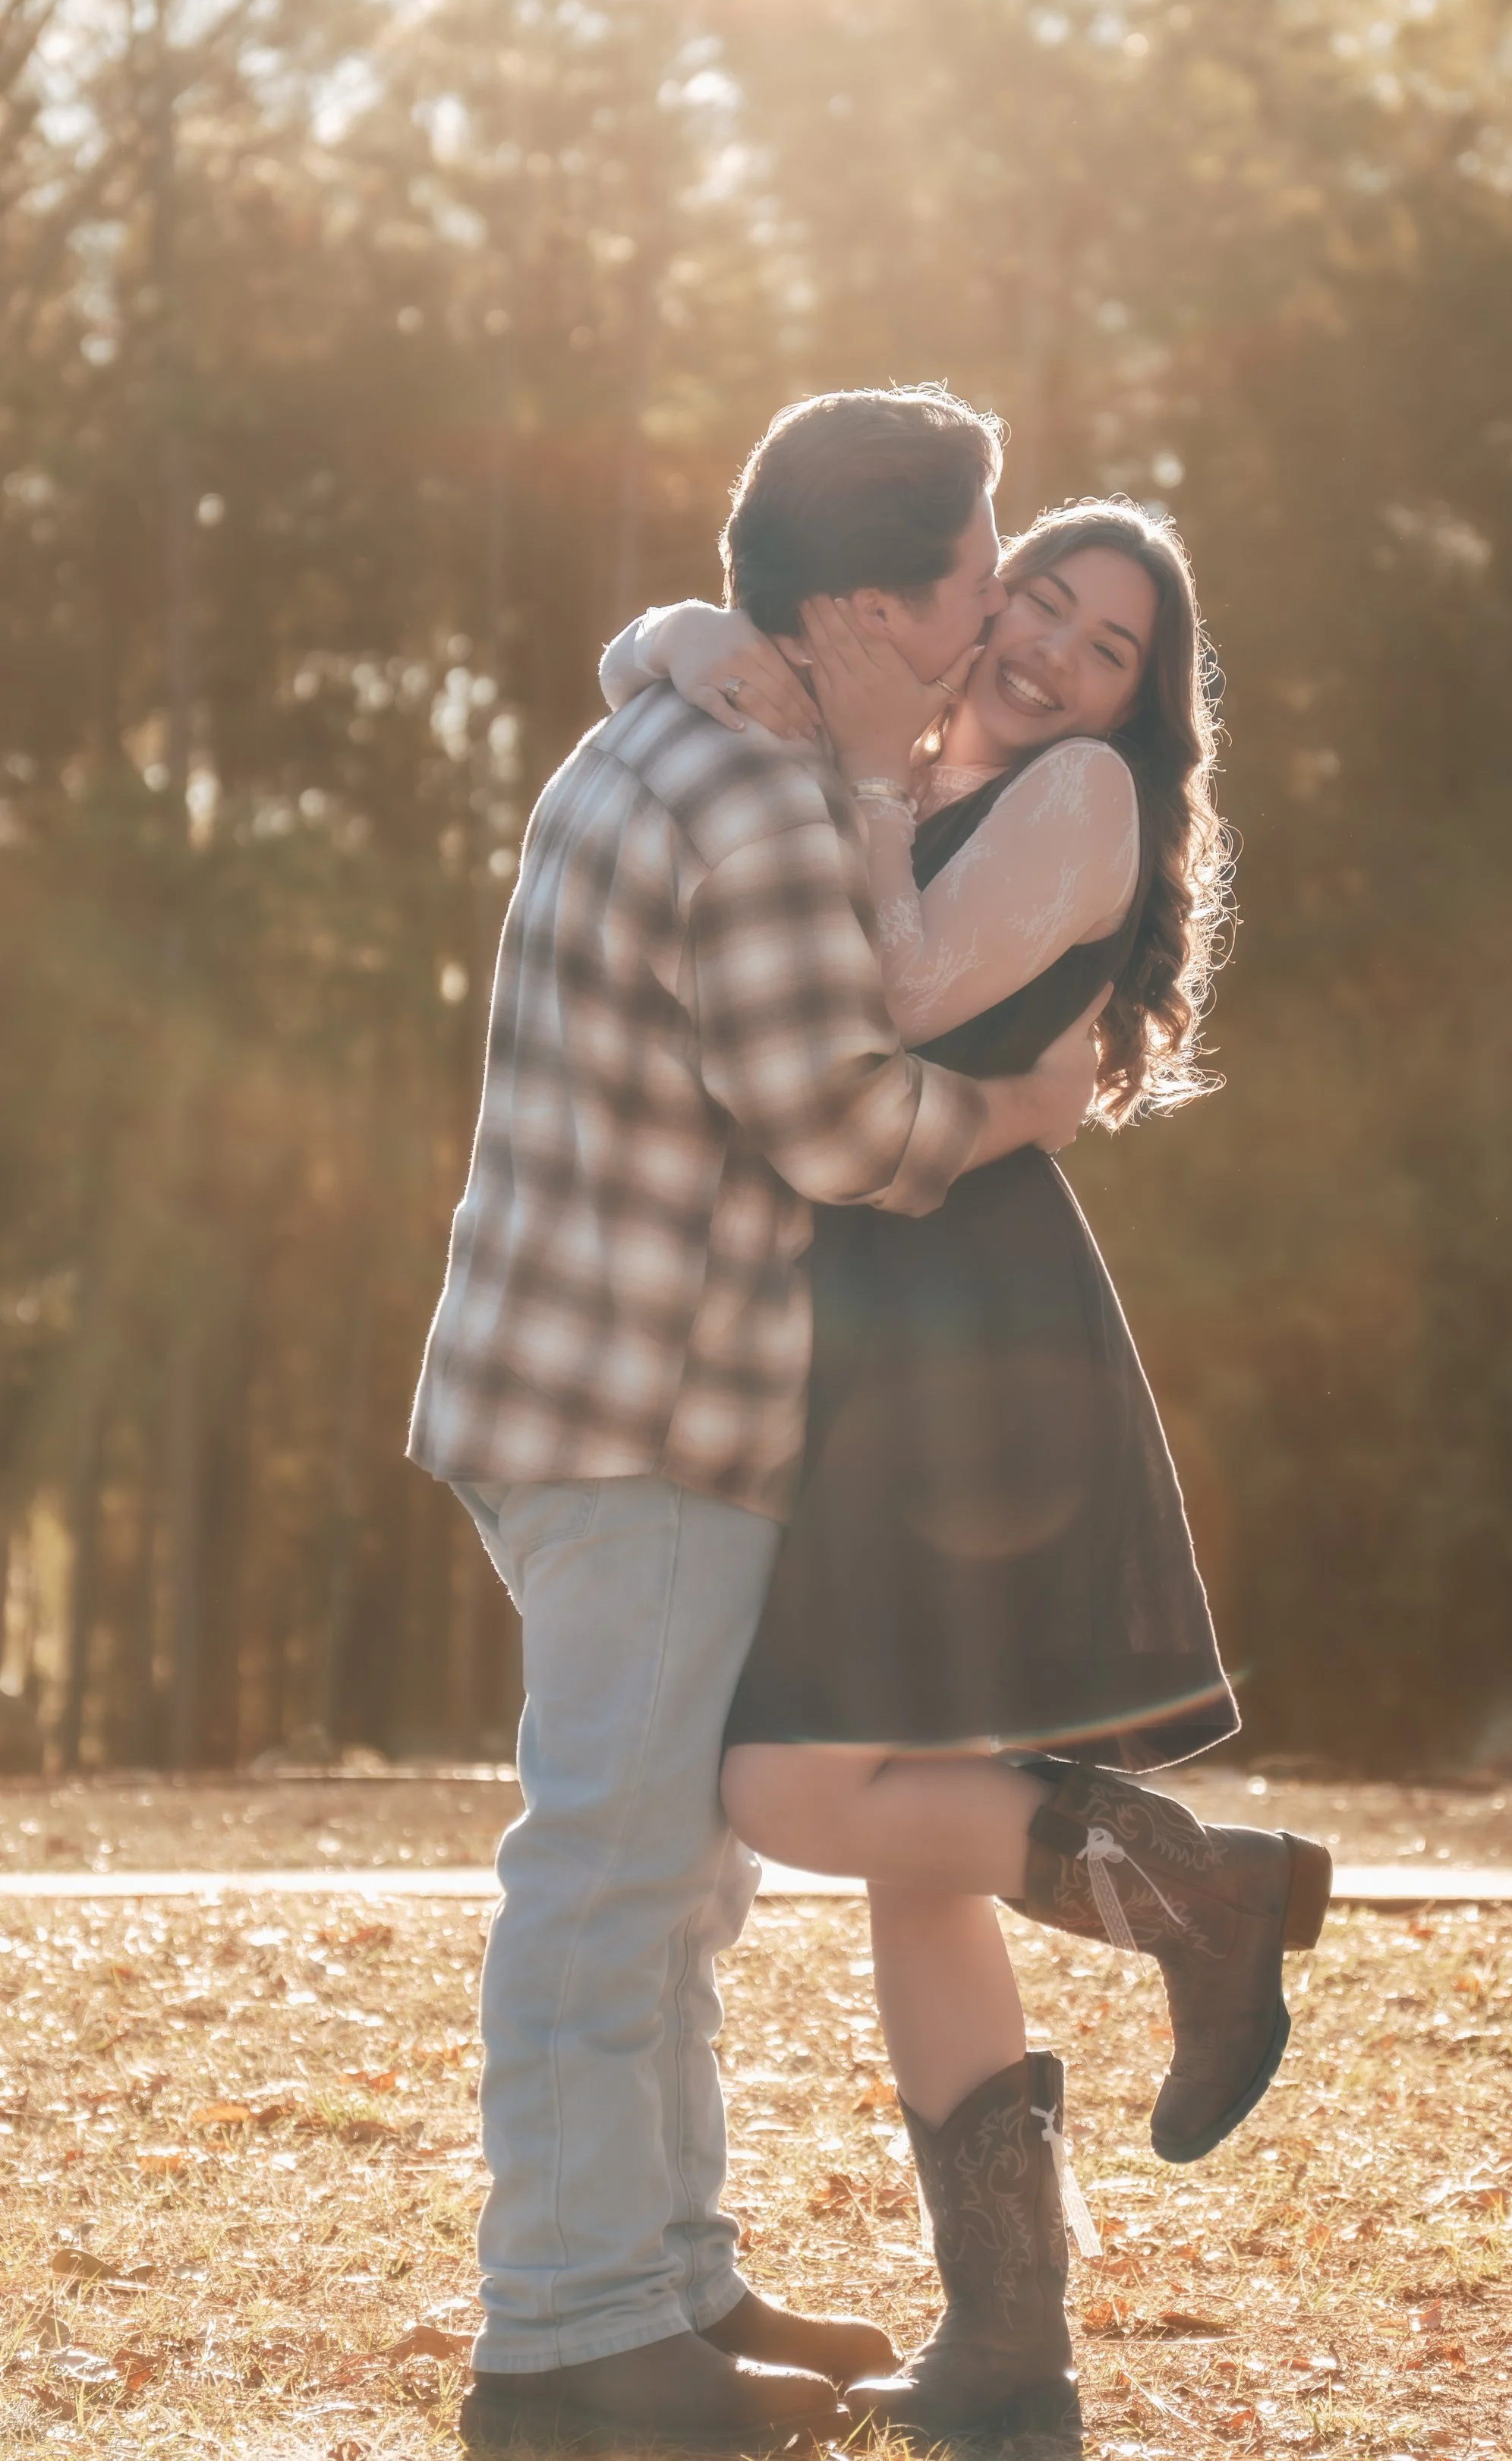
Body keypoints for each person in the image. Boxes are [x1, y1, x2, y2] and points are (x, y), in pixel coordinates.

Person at [407, 386, 1105, 2459]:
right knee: (611, 1871)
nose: (994, 610)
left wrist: (662, 632)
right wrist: (1017, 1111)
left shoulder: (701, 725)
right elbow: (834, 1118)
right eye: (974, 574)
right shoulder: (737, 796)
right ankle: (563, 2339)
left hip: (623, 1394)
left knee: (672, 1877)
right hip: (628, 1409)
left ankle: (667, 2279)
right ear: (867, 607)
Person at [600, 497, 1333, 2441]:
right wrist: (689, 645)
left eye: (1103, 643)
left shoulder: (1079, 795)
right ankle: (1009, 2357)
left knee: (787, 1779)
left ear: (1132, 703)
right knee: (905, 1861)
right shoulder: (912, 753)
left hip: (959, 1337)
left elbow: (899, 993)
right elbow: (670, 668)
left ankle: (1202, 1891)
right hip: (868, 1315)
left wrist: (839, 762)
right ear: (982, 597)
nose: (1048, 648)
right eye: (1037, 600)